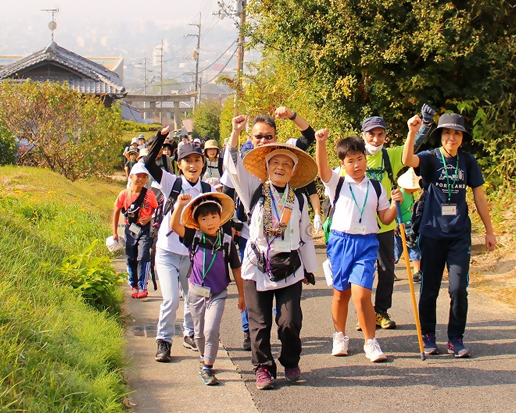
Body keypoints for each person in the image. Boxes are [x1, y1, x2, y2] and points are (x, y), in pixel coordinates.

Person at [225, 115, 318, 391]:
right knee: (260, 323)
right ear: (266, 168)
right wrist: (234, 132)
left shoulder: (299, 198)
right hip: (257, 265)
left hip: (290, 266)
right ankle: (263, 368)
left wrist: (310, 269)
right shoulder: (253, 189)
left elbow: (305, 237)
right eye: (274, 163)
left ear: (293, 171)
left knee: (290, 321)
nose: (280, 168)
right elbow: (232, 166)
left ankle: (290, 361)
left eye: (286, 164)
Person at [403, 112, 497, 358]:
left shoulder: (468, 161)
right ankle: (428, 335)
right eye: (447, 133)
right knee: (430, 288)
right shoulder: (430, 158)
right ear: (440, 136)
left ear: (462, 137)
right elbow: (407, 159)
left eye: (456, 133)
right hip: (432, 233)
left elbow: (479, 196)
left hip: (459, 235)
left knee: (457, 289)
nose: (451, 138)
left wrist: (489, 231)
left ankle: (456, 338)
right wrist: (412, 132)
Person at [315, 129, 401, 363]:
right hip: (341, 242)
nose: (356, 165)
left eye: (359, 159)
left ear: (365, 157)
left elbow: (385, 218)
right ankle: (339, 336)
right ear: (342, 163)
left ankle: (370, 342)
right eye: (350, 161)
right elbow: (322, 170)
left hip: (366, 244)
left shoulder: (376, 187)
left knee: (362, 295)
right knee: (341, 294)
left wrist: (395, 204)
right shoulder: (337, 183)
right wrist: (320, 143)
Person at [144, 126, 214, 363]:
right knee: (171, 299)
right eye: (187, 161)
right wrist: (161, 137)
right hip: (167, 252)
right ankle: (163, 341)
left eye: (197, 160)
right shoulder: (171, 182)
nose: (192, 165)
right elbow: (147, 162)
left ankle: (189, 333)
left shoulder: (208, 190)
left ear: (203, 163)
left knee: (192, 298)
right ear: (179, 164)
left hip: (193, 253)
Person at [168, 191, 246, 386]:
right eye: (204, 218)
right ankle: (204, 356)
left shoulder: (227, 241)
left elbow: (236, 269)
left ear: (220, 218)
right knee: (200, 331)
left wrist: (242, 295)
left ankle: (208, 367)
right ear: (197, 222)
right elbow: (174, 225)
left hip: (218, 293)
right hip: (196, 292)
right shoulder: (194, 237)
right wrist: (179, 205)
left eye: (214, 217)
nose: (210, 221)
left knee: (211, 329)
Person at [360, 115, 404, 331]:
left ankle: (381, 312)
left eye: (380, 135)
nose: (376, 139)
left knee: (387, 270)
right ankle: (364, 313)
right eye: (371, 134)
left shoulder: (390, 156)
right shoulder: (355, 156)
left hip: (385, 225)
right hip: (361, 227)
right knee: (363, 272)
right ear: (363, 135)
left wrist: (420, 127)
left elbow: (411, 151)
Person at [112, 161, 159, 298]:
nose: (140, 179)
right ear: (131, 177)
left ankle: (143, 287)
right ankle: (134, 285)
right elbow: (116, 211)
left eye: (144, 176)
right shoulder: (124, 194)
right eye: (138, 176)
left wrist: (150, 217)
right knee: (131, 257)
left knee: (143, 256)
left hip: (144, 229)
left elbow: (157, 210)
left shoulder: (149, 194)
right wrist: (115, 232)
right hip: (130, 229)